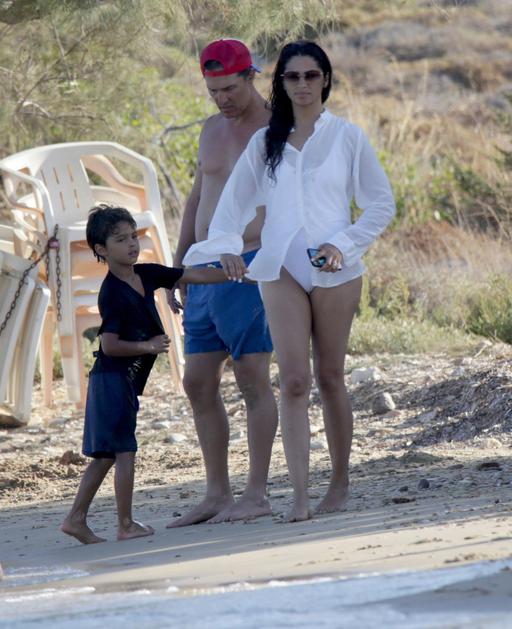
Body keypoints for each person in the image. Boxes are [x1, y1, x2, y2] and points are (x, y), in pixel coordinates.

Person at [184, 41, 396, 522]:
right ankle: (300, 497)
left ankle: (338, 484)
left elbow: (381, 203)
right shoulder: (265, 142)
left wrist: (344, 243)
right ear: (280, 83)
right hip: (279, 267)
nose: (302, 84)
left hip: (335, 268)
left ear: (326, 80)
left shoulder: (347, 137)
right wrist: (226, 245)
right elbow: (231, 205)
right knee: (294, 380)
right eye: (292, 76)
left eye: (311, 75)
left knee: (331, 376)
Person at [61, 204, 229, 544]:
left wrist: (235, 273)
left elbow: (190, 275)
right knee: (124, 451)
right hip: (111, 380)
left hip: (121, 381)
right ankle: (125, 524)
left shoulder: (147, 274)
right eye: (121, 240)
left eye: (134, 237)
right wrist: (148, 346)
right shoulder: (112, 293)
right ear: (101, 249)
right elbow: (109, 345)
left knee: (106, 456)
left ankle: (76, 518)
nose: (132, 245)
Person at [166, 39, 279, 527]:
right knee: (196, 381)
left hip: (248, 266)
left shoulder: (278, 129)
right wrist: (179, 264)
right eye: (213, 91)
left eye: (230, 88)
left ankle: (256, 493)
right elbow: (197, 196)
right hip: (203, 266)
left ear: (251, 76)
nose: (222, 99)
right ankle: (216, 493)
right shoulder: (211, 129)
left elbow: (288, 203)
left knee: (252, 377)